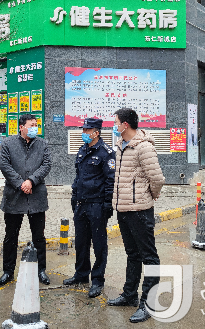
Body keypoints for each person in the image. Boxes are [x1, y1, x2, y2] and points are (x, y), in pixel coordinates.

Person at [107, 108, 165, 323]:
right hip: (123, 209)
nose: (114, 126)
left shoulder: (143, 147)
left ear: (125, 125)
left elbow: (157, 179)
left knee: (149, 256)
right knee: (132, 254)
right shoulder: (120, 146)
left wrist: (149, 196)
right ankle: (129, 294)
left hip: (140, 210)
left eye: (116, 122)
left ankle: (148, 303)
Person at [0, 113, 52, 287]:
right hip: (14, 196)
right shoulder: (8, 143)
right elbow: (4, 165)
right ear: (21, 127)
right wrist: (21, 183)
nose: (35, 128)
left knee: (39, 237)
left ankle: (41, 270)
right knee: (11, 236)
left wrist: (31, 181)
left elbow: (46, 165)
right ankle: (8, 271)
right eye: (31, 125)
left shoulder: (42, 144)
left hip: (36, 195)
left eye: (36, 125)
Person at [63, 118, 115, 298]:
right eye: (83, 130)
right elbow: (78, 177)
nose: (84, 133)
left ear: (96, 132)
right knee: (81, 242)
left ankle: (98, 280)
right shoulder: (82, 150)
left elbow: (110, 181)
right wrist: (74, 196)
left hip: (97, 205)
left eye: (87, 130)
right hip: (81, 204)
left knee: (99, 244)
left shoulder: (106, 153)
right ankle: (81, 274)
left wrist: (107, 204)